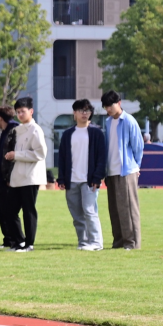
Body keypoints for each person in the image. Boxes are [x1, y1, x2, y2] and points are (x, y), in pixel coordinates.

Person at [58, 99, 105, 251]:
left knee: (89, 211)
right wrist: (61, 178)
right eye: (81, 110)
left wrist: (97, 177)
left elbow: (101, 157)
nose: (84, 113)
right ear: (74, 113)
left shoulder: (97, 133)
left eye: (87, 110)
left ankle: (96, 242)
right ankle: (83, 242)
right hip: (72, 180)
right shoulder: (67, 134)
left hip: (89, 180)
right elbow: (62, 157)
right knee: (77, 214)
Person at [101, 90, 144, 250]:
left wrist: (136, 166)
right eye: (105, 107)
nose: (108, 109)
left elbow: (138, 146)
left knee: (128, 208)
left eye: (110, 106)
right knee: (114, 209)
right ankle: (118, 242)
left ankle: (132, 243)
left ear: (119, 103)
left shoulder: (129, 121)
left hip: (126, 171)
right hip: (111, 171)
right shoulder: (107, 122)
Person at [4, 96, 47, 253]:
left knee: (29, 211)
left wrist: (16, 155)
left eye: (23, 111)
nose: (20, 115)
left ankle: (29, 244)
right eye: (18, 112)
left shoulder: (36, 130)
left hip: (31, 176)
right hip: (18, 176)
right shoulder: (17, 130)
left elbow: (40, 153)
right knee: (10, 210)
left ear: (31, 111)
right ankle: (19, 241)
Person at [0, 106, 21, 249]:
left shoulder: (14, 130)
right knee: (1, 211)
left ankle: (15, 240)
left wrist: (9, 177)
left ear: (0, 118)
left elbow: (12, 157)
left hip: (6, 179)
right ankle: (8, 240)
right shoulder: (4, 132)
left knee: (8, 211)